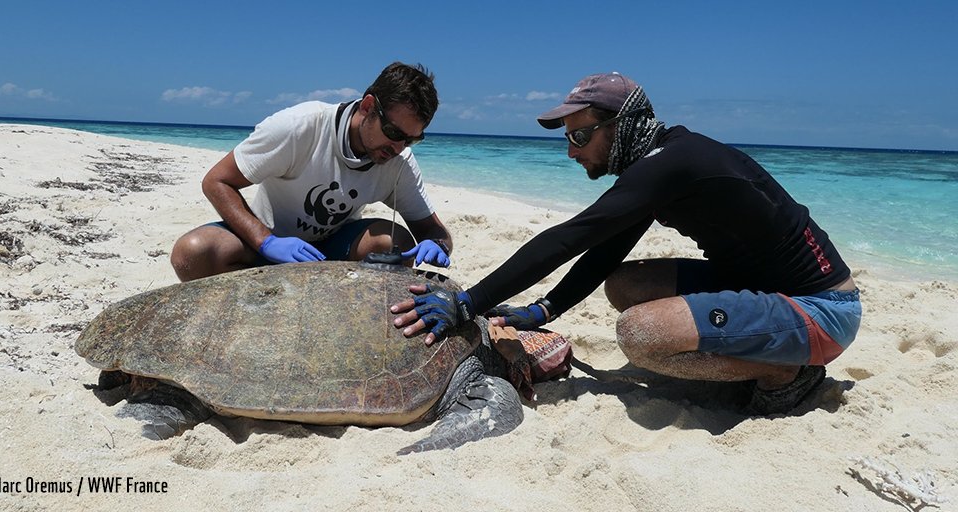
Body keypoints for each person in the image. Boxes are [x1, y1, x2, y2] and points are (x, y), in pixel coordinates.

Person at [391, 72, 862, 415]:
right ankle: (761, 350)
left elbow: (568, 238)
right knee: (625, 284)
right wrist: (545, 311)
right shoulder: (661, 163)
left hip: (820, 310)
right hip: (763, 287)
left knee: (640, 336)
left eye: (580, 135)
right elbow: (606, 248)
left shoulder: (669, 164)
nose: (572, 150)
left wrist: (467, 302)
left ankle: (788, 373)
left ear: (621, 124)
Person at [170, 62, 453, 282]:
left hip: (331, 255)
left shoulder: (398, 161)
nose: (398, 147)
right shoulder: (300, 126)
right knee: (193, 251)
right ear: (368, 107)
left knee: (395, 243)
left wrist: (437, 244)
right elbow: (216, 181)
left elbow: (433, 229)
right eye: (393, 132)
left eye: (411, 139)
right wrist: (266, 241)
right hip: (264, 244)